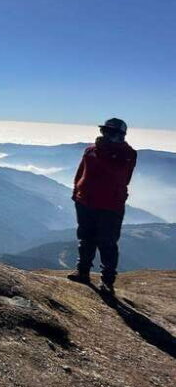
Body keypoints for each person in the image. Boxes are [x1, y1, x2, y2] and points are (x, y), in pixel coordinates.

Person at [67, 118, 137, 294]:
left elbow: (120, 176)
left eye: (110, 132)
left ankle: (107, 281)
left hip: (110, 205)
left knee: (107, 242)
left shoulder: (127, 154)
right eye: (104, 131)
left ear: (121, 135)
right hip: (85, 201)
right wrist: (76, 191)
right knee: (86, 238)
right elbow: (81, 172)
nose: (106, 134)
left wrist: (103, 151)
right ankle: (82, 272)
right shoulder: (91, 150)